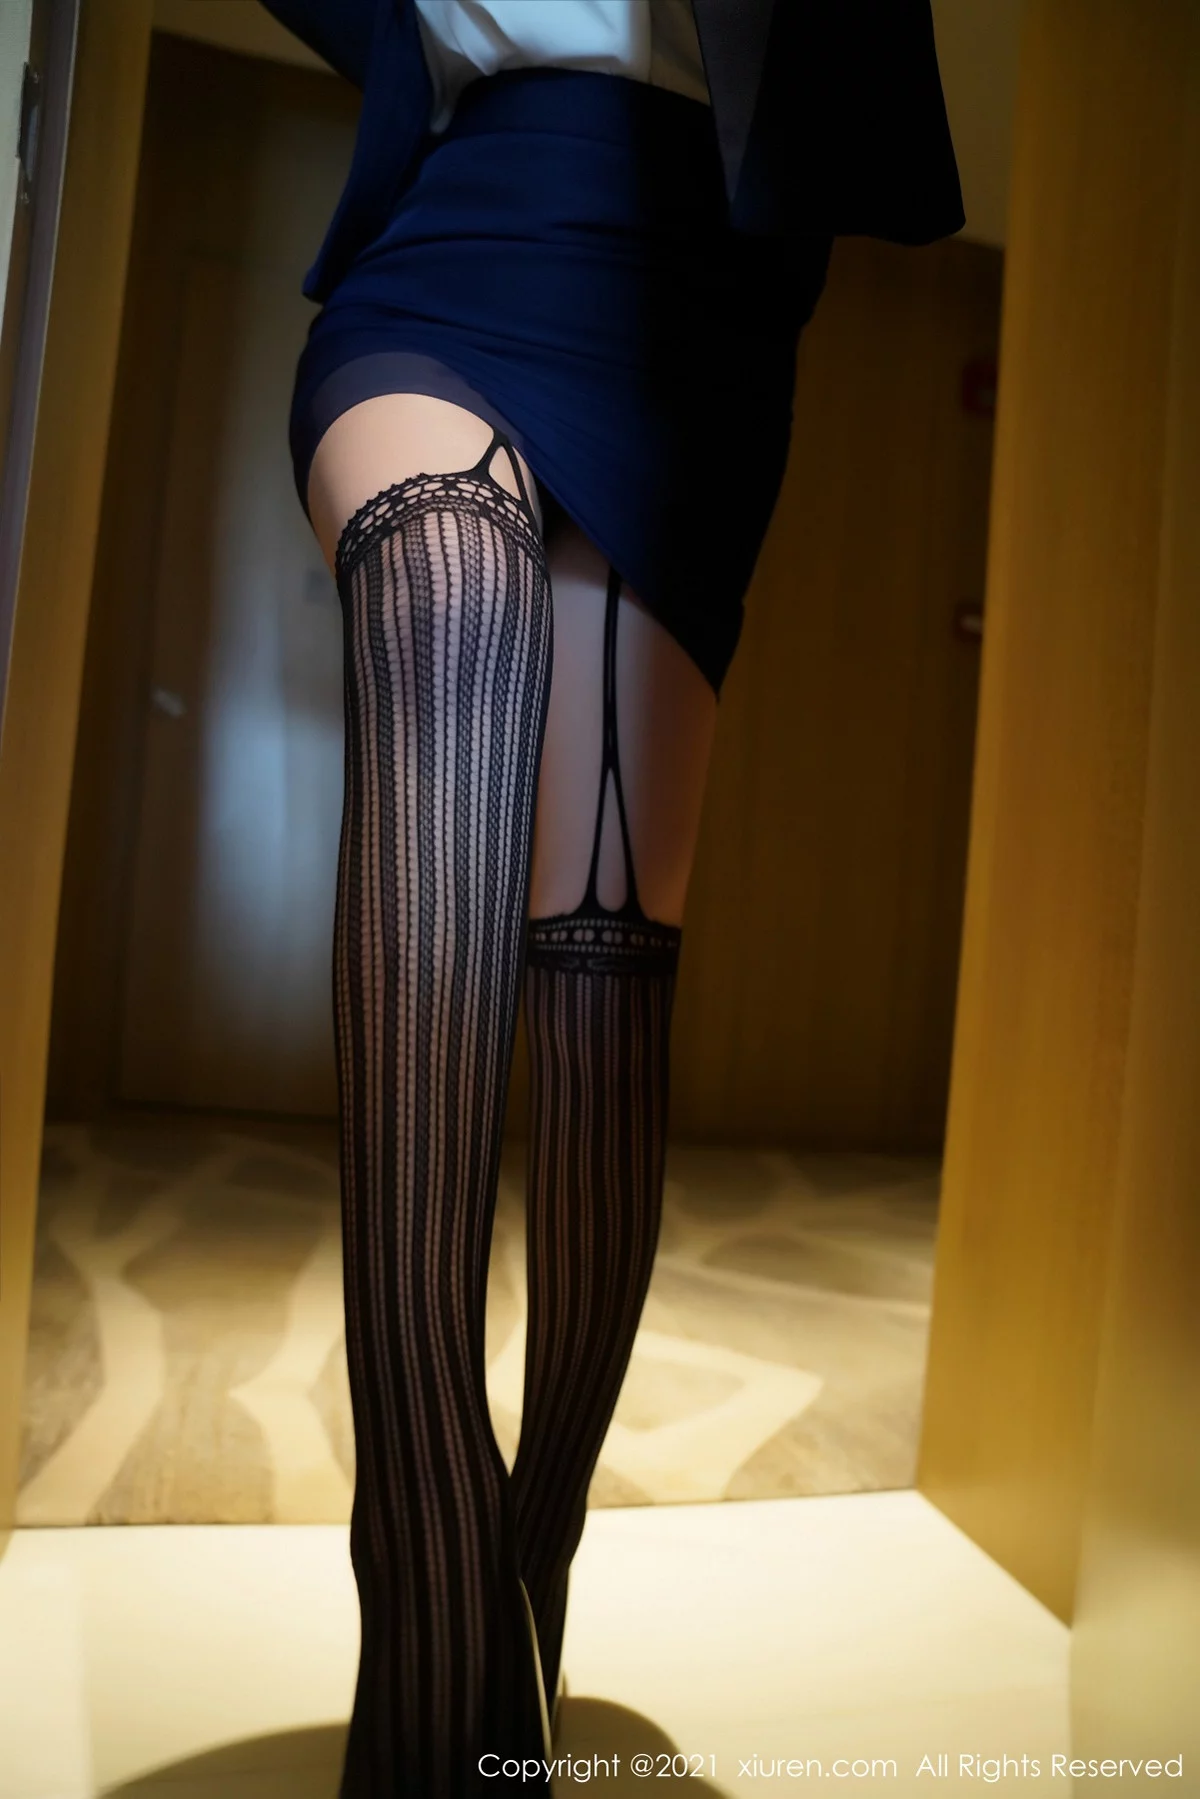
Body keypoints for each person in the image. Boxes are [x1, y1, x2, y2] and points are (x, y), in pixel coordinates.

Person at [255, 2, 964, 1794]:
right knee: (449, 602)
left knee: (603, 969)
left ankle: (533, 1550)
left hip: (690, 311)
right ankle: (425, 1562)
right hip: (457, 237)